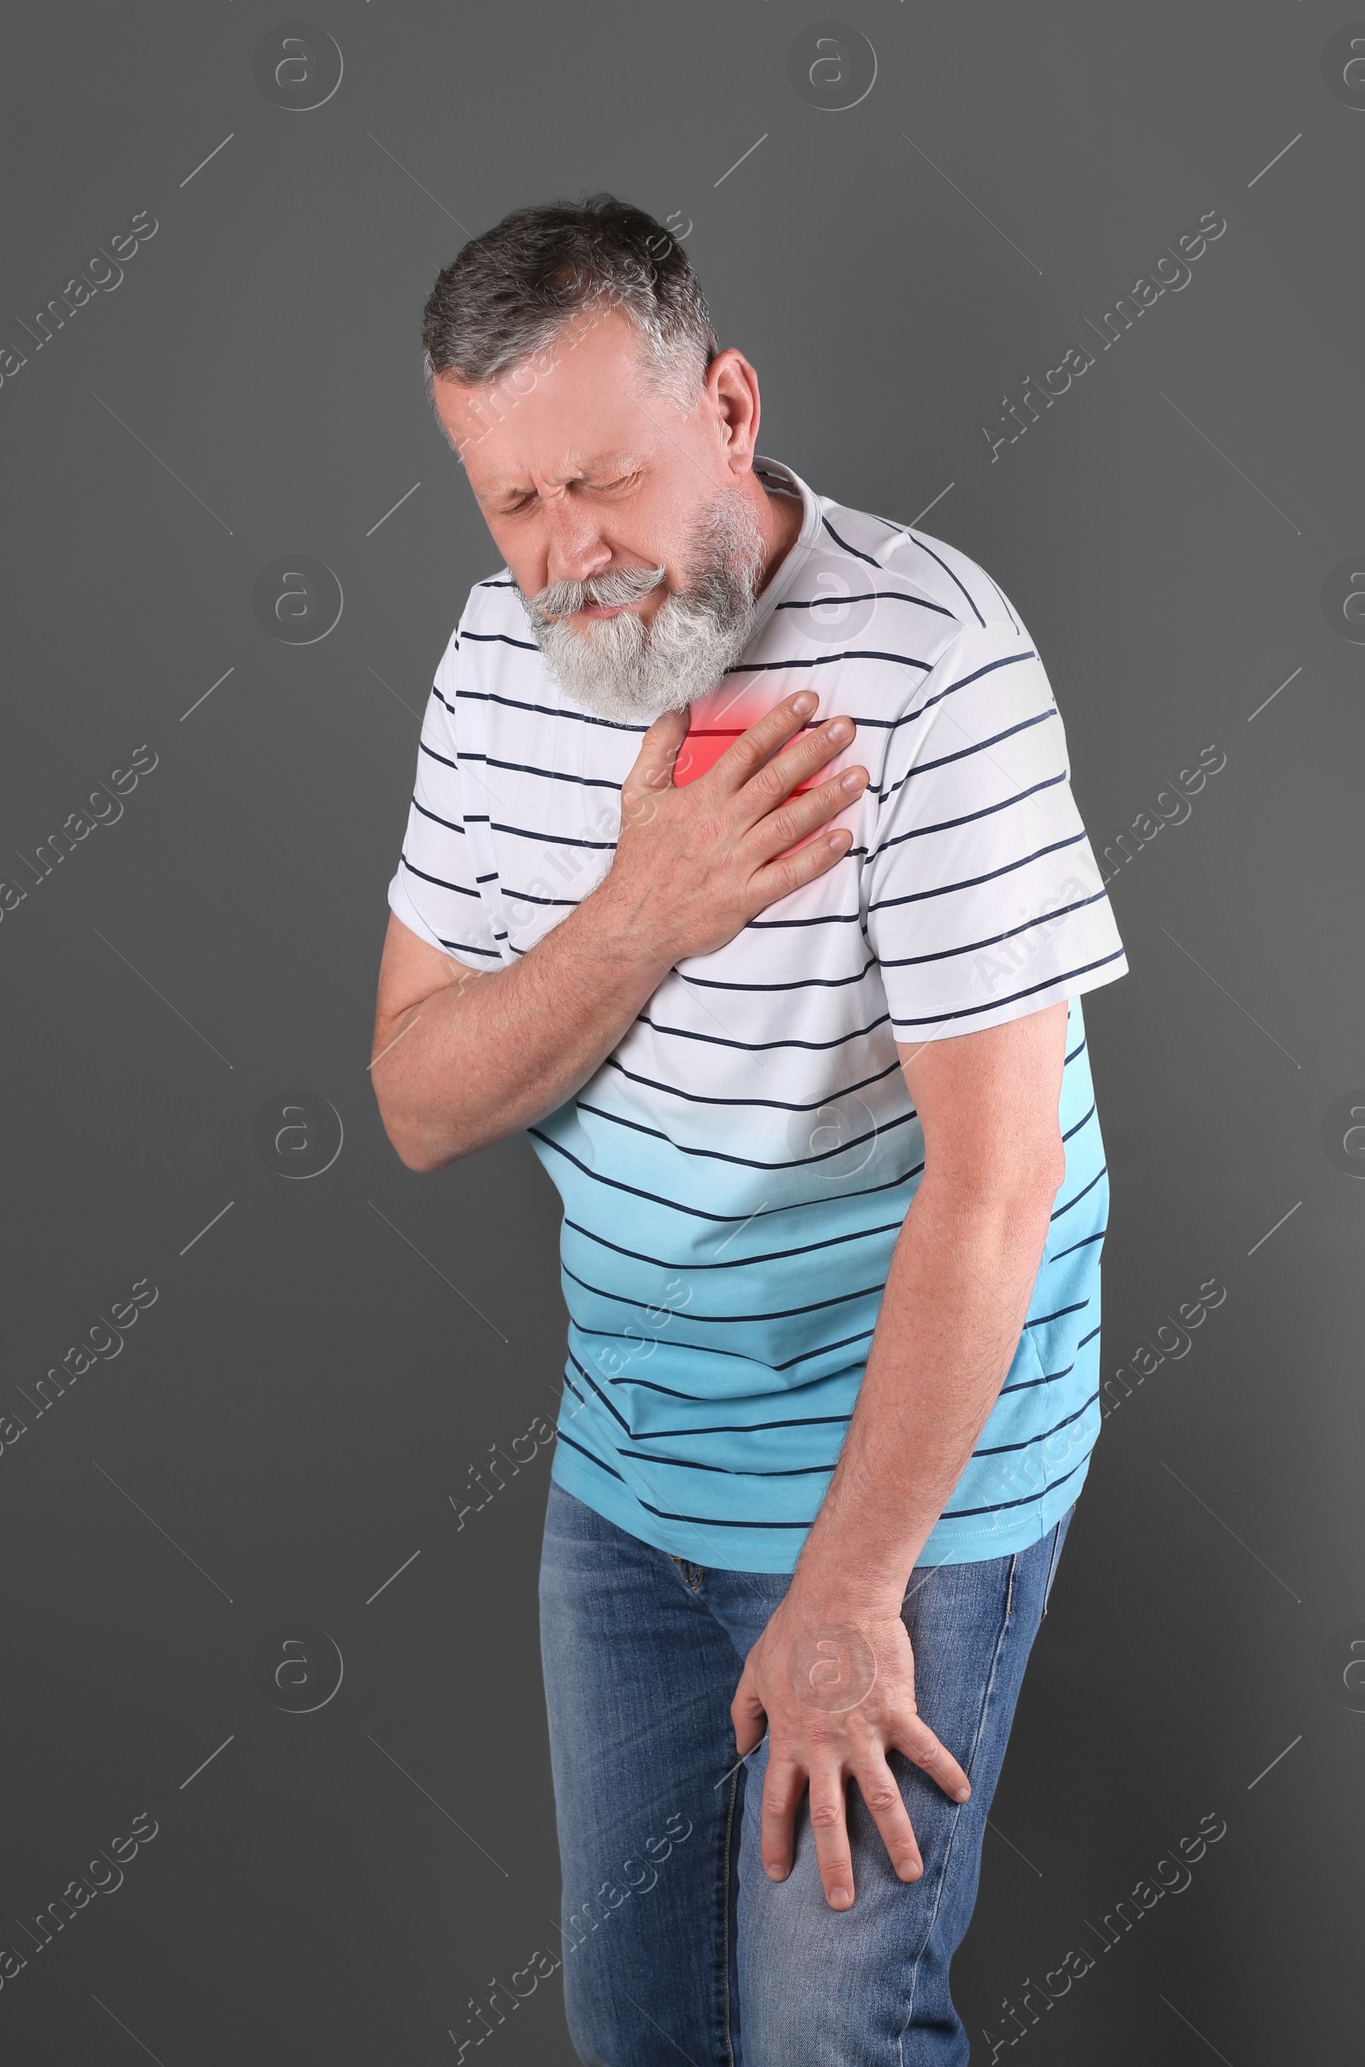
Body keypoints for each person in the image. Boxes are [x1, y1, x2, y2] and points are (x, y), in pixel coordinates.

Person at [371, 194, 1128, 2066]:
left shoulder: (938, 661)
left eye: (605, 484)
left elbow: (998, 1181)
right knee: (641, 2035)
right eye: (515, 507)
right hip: (630, 1486)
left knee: (826, 2043)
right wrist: (643, 914)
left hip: (910, 1499)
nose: (572, 561)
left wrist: (850, 1595)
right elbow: (414, 1098)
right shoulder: (489, 665)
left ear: (727, 404)